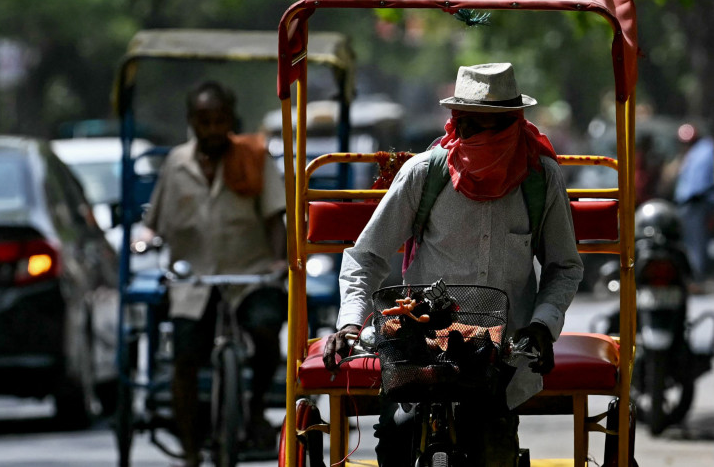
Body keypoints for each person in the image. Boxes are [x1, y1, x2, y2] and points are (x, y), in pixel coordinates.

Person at [322, 63, 583, 466]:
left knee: (494, 447)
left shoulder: (541, 179)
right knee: (397, 440)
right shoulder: (423, 174)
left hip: (501, 355)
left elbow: (563, 266)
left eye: (494, 128)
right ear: (456, 125)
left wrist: (543, 325)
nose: (481, 139)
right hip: (419, 349)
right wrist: (351, 322)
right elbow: (366, 257)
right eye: (470, 127)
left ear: (515, 123)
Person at [144, 80, 287, 466]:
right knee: (185, 359)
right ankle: (191, 451)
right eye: (203, 122)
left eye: (219, 121)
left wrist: (278, 263)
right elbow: (153, 222)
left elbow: (276, 217)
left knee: (266, 329)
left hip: (251, 274)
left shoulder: (254, 156)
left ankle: (255, 407)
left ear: (230, 121)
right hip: (194, 281)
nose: (211, 130)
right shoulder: (176, 163)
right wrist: (145, 241)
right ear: (192, 122)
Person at [673, 122, 714, 293]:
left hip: (698, 202)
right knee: (688, 243)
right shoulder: (690, 154)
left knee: (696, 243)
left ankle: (698, 279)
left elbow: (701, 182)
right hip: (687, 205)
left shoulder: (706, 150)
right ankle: (692, 277)